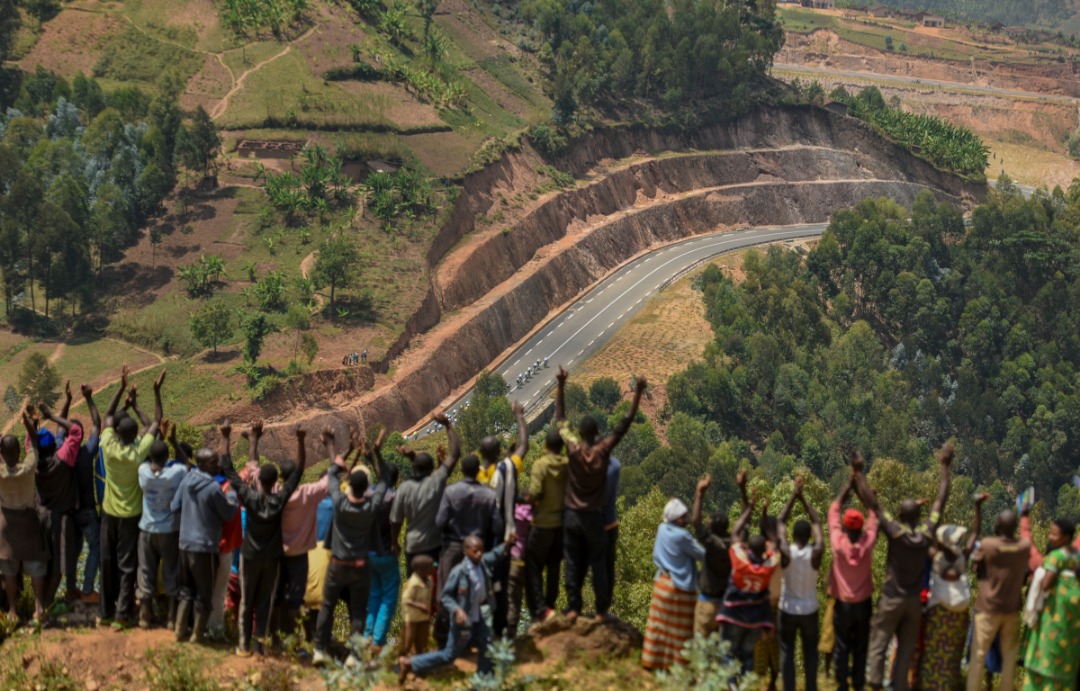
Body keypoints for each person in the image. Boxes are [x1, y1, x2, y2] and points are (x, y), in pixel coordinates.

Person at [859, 443, 952, 691]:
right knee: (906, 648)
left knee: (879, 642)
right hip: (913, 601)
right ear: (918, 516)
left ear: (900, 516)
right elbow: (940, 501)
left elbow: (874, 505)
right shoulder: (926, 533)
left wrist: (858, 474)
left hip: (891, 597)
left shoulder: (895, 532)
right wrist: (945, 467)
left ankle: (876, 683)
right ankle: (899, 685)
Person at [556, 367, 646, 621]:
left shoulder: (573, 450)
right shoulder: (602, 452)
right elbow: (624, 424)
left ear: (581, 434)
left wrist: (561, 384)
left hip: (572, 516)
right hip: (594, 517)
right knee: (599, 564)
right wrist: (638, 392)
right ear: (596, 434)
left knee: (573, 562)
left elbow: (560, 420)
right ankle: (601, 611)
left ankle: (573, 608)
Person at [221, 425, 306, 656]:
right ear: (275, 481)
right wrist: (300, 441)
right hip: (272, 558)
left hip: (249, 556)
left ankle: (243, 646)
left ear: (259, 481)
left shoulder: (249, 497)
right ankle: (259, 646)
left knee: (247, 602)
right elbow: (298, 473)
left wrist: (226, 439)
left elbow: (229, 470)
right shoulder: (279, 500)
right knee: (263, 602)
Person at [312, 426, 390, 667]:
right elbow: (385, 479)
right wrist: (375, 453)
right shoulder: (371, 506)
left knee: (327, 606)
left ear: (350, 488)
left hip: (337, 564)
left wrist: (331, 445)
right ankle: (355, 656)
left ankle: (318, 649)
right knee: (357, 611)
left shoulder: (340, 503)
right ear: (366, 487)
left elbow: (332, 476)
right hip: (360, 566)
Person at [398, 534, 509, 682]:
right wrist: (457, 610)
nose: (479, 554)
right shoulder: (459, 572)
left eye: (481, 550)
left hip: (478, 617)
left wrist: (507, 544)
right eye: (475, 550)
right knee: (449, 656)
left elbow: (494, 554)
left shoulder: (483, 563)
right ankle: (410, 663)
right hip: (462, 621)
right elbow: (446, 596)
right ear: (466, 551)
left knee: (487, 646)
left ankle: (483, 679)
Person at [98, 367, 161, 629]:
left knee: (107, 561)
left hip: (108, 514)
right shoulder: (139, 453)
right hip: (131, 516)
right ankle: (123, 615)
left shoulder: (109, 448)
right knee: (126, 565)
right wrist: (155, 393)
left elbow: (108, 416)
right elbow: (156, 421)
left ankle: (105, 612)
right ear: (135, 436)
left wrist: (121, 387)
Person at [172, 422, 240, 644]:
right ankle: (197, 636)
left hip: (184, 544)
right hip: (203, 547)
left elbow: (175, 507)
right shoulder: (213, 488)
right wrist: (231, 495)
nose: (216, 464)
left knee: (185, 591)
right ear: (204, 464)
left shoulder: (186, 480)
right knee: (203, 593)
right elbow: (229, 513)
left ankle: (180, 631)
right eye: (213, 462)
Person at [433, 451, 501, 645]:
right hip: (477, 551)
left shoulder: (451, 492)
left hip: (453, 548)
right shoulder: (488, 495)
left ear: (462, 470)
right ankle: (473, 638)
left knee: (446, 593)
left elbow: (439, 521)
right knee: (476, 595)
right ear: (477, 471)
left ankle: (445, 639)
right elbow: (497, 526)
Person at [919, 493, 985, 690]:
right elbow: (976, 532)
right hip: (959, 614)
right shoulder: (962, 557)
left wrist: (928, 512)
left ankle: (932, 683)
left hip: (938, 611)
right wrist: (977, 508)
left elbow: (926, 535)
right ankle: (948, 684)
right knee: (953, 650)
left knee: (935, 648)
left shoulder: (935, 557)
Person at [641, 477, 708, 671]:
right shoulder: (682, 536)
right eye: (683, 517)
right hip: (680, 588)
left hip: (662, 583)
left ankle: (652, 662)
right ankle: (678, 669)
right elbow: (702, 555)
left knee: (659, 628)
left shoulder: (662, 528)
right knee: (681, 632)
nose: (685, 520)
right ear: (675, 519)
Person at [967, 506, 1033, 691]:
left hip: (987, 608)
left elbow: (975, 568)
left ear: (997, 525)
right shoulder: (1023, 547)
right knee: (1009, 657)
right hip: (1011, 609)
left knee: (978, 656)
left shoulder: (988, 545)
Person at [828, 453, 879, 691]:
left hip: (843, 605)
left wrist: (849, 482)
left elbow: (835, 509)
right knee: (861, 648)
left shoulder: (838, 543)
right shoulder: (867, 543)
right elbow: (874, 514)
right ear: (861, 528)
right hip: (864, 605)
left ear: (846, 527)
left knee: (841, 646)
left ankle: (841, 685)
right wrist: (860, 478)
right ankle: (858, 685)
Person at [716, 488, 780, 675]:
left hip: (733, 614)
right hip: (754, 619)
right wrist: (765, 518)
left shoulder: (741, 561)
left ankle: (730, 685)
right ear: (764, 552)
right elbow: (776, 544)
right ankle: (745, 685)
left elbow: (735, 533)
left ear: (748, 549)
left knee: (727, 653)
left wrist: (749, 509)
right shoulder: (768, 566)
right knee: (748, 655)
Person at [477, 400, 527, 638]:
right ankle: (501, 632)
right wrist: (519, 416)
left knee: (481, 585)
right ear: (498, 453)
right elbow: (524, 446)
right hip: (504, 539)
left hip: (478, 541)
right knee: (502, 585)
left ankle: (480, 631)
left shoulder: (474, 476)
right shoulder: (506, 468)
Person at [390, 414, 460, 576]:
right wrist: (448, 426)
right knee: (437, 585)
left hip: (413, 547)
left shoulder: (404, 489)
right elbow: (455, 454)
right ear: (432, 469)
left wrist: (394, 543)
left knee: (415, 588)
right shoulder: (436, 481)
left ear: (414, 468)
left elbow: (395, 520)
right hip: (435, 546)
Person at [136, 419, 188, 630]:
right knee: (170, 572)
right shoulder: (176, 474)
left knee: (146, 571)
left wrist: (160, 438)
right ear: (167, 458)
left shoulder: (143, 473)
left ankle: (144, 617)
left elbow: (149, 457)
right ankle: (171, 619)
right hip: (169, 531)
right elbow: (187, 464)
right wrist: (174, 442)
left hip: (147, 529)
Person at [33, 394, 82, 615]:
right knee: (59, 566)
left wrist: (34, 423)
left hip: (41, 518)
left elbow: (31, 442)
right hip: (61, 518)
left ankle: (39, 604)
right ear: (54, 446)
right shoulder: (63, 460)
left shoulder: (33, 464)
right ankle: (49, 603)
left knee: (44, 563)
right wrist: (51, 416)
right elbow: (75, 432)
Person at [0, 410, 49, 622]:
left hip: (6, 527)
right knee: (36, 567)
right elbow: (35, 445)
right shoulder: (28, 468)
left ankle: (12, 610)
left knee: (9, 571)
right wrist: (28, 424)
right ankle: (39, 608)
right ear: (19, 450)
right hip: (28, 522)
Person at [776, 476, 824, 691]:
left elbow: (779, 523)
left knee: (786, 650)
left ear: (793, 535)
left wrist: (793, 498)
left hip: (787, 608)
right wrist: (803, 499)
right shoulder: (815, 553)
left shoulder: (786, 553)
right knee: (810, 652)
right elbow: (817, 524)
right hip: (809, 609)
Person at [1022, 518, 1080, 690]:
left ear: (1066, 537)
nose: (1050, 537)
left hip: (1054, 618)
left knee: (1045, 658)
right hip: (1073, 623)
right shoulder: (1077, 556)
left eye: (1055, 534)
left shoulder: (1055, 557)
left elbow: (1045, 585)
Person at [65, 384, 103, 604]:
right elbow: (97, 424)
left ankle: (71, 589)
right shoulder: (87, 453)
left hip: (70, 512)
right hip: (88, 511)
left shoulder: (62, 458)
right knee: (95, 547)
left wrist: (67, 402)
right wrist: (89, 398)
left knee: (73, 551)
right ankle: (88, 589)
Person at [525, 427, 567, 624]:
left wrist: (527, 501)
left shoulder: (540, 465)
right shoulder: (567, 465)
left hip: (542, 525)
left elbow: (535, 493)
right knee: (554, 567)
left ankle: (540, 608)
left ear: (545, 446)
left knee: (532, 566)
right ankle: (550, 605)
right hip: (560, 527)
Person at [692, 470, 740, 639]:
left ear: (713, 529)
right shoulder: (734, 546)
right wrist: (743, 490)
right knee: (723, 650)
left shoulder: (713, 546)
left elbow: (696, 523)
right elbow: (743, 523)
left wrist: (699, 493)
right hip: (726, 606)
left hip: (708, 603)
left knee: (701, 650)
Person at [364, 431, 400, 652]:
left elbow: (378, 476)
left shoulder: (367, 495)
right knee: (388, 598)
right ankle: (378, 641)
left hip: (368, 554)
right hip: (387, 552)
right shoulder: (393, 498)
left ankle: (368, 637)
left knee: (373, 597)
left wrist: (370, 455)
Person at [400, 554, 436, 657]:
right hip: (411, 619)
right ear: (421, 570)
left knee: (422, 641)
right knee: (407, 641)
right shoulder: (413, 584)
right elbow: (406, 599)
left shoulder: (429, 582)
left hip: (424, 617)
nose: (434, 568)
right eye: (431, 566)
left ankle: (420, 664)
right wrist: (420, 606)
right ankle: (401, 661)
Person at [506, 502, 532, 635]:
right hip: (528, 562)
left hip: (514, 560)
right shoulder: (533, 516)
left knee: (513, 600)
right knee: (532, 598)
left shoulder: (513, 513)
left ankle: (511, 631)